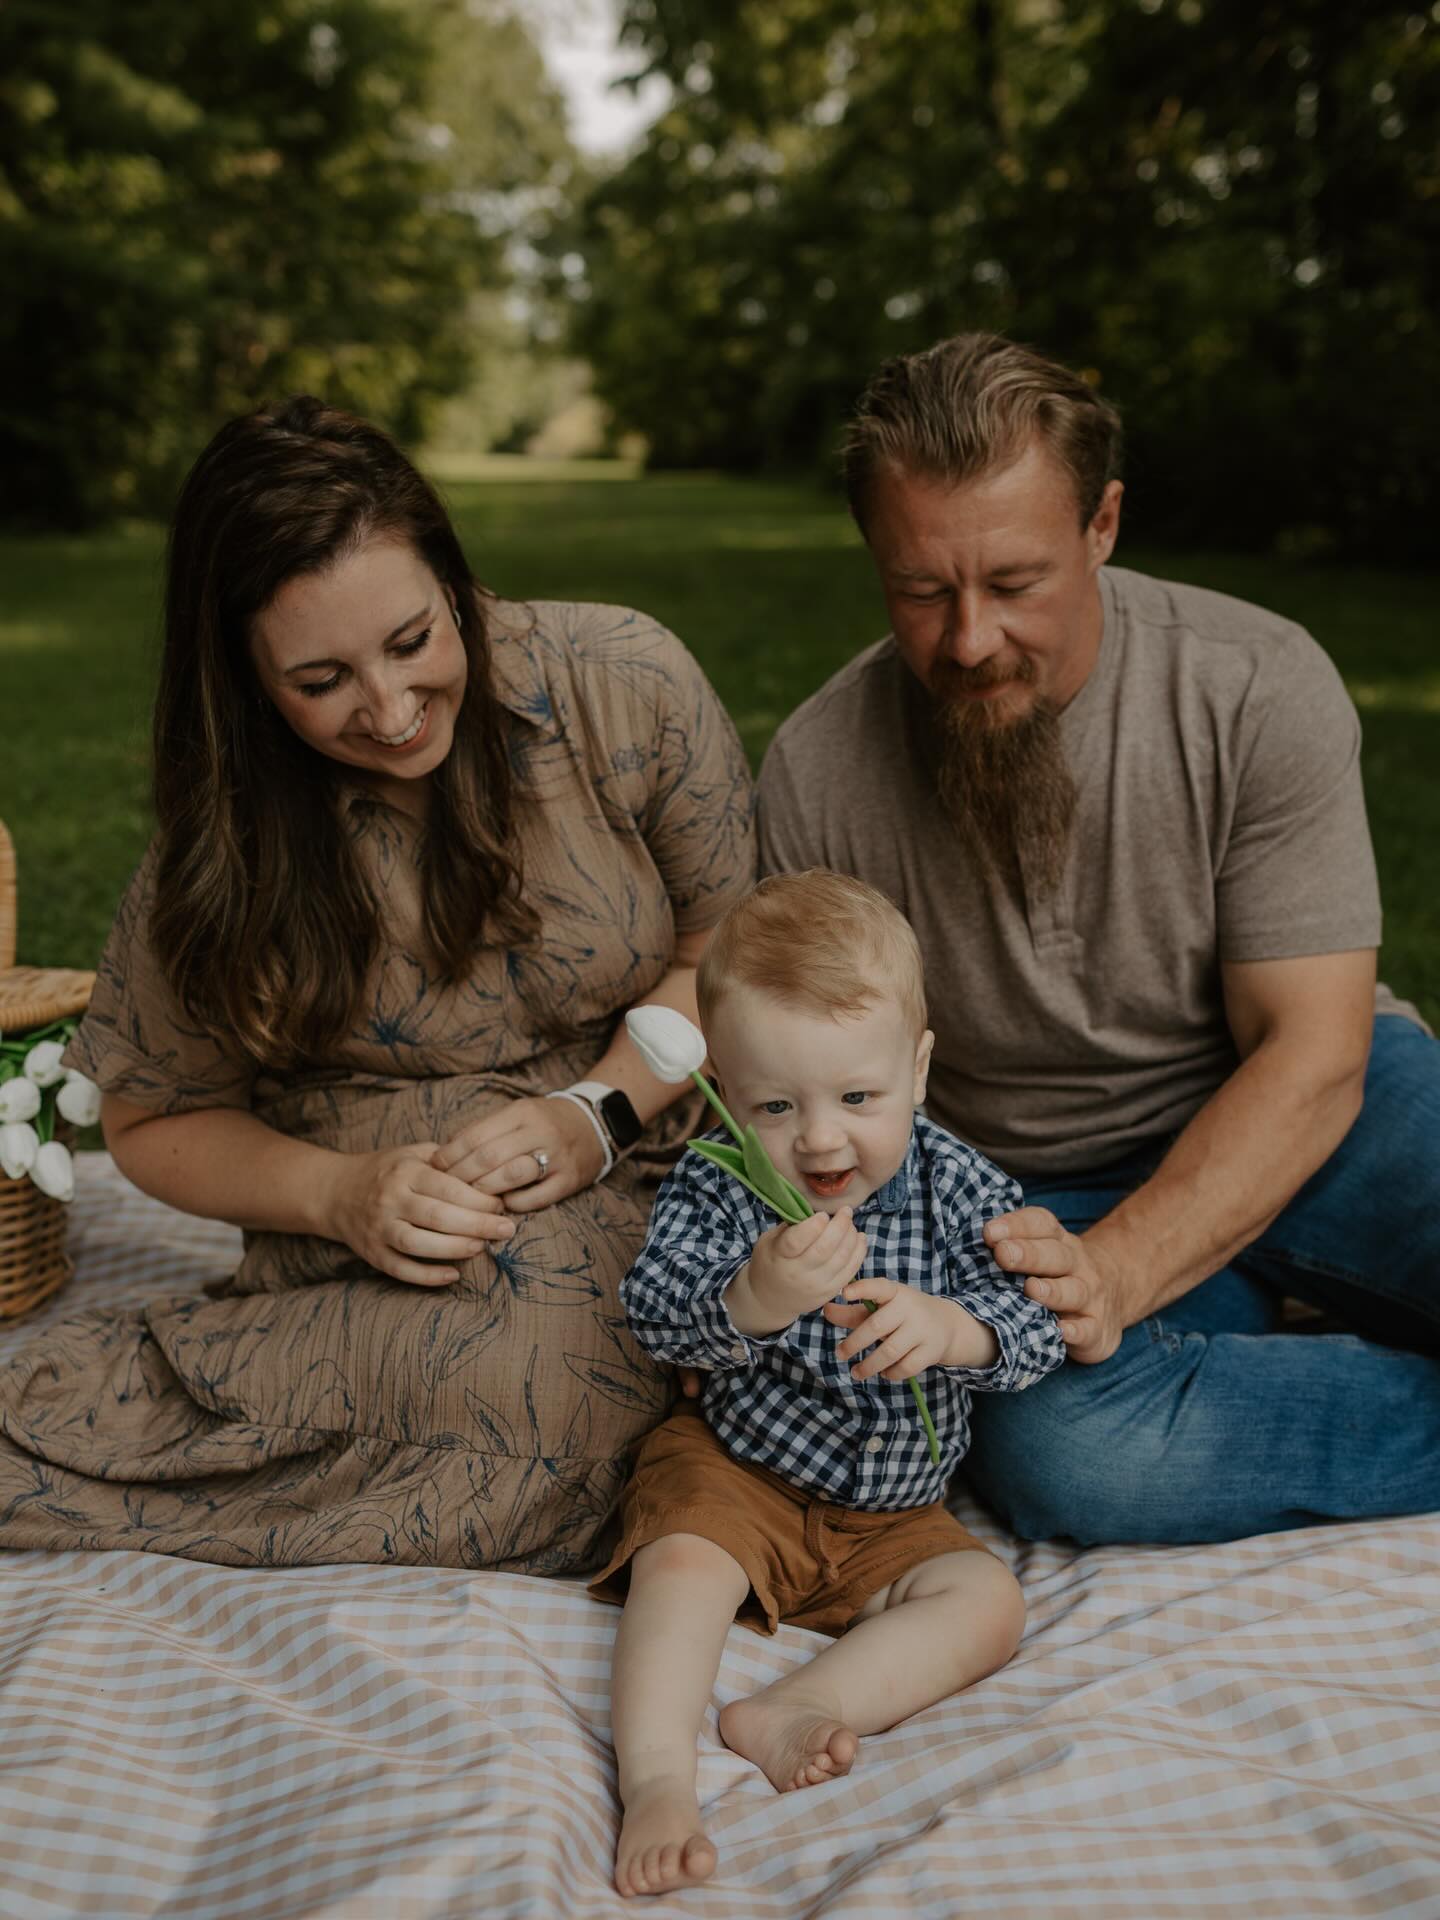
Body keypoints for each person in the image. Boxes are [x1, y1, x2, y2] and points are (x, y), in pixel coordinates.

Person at [0, 396, 755, 1573]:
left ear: (452, 582)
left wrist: (596, 1113)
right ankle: (111, 1424)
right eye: (321, 681)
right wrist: (345, 1195)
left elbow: (732, 954)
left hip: (645, 1176)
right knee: (537, 1400)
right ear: (248, 682)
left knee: (581, 1379)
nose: (393, 713)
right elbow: (151, 1118)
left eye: (413, 643)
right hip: (367, 1245)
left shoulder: (624, 685)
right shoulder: (232, 833)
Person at [756, 331, 1440, 1548]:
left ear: (1103, 525)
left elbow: (1314, 1046)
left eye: (1014, 584)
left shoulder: (1256, 683)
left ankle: (1262, 1314)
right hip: (1028, 1196)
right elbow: (818, 1104)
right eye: (923, 590)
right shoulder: (815, 772)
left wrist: (1124, 1272)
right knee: (1067, 1450)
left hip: (1310, 1104)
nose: (967, 641)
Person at [589, 870, 1064, 1898]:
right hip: (743, 1471)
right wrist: (752, 1295)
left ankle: (801, 1705)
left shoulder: (959, 1187)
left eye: (858, 1097)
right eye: (775, 1103)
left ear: (919, 1070)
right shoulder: (717, 1181)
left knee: (986, 1602)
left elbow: (1040, 1332)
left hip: (894, 1513)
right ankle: (659, 1780)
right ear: (723, 1083)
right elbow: (653, 1311)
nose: (819, 1137)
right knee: (680, 1568)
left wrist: (958, 1330)